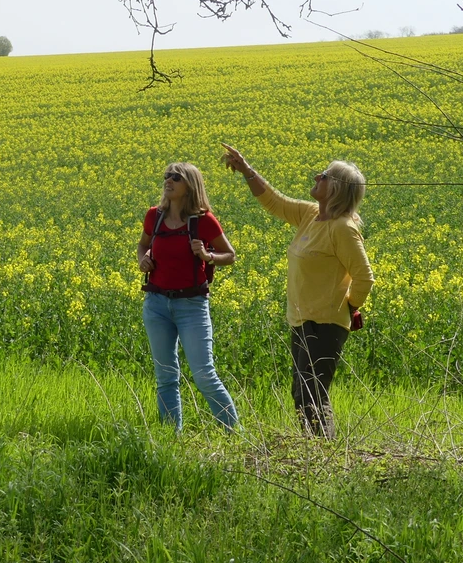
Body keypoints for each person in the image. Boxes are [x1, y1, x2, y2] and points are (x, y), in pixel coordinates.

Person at [222, 143, 374, 439]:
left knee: (311, 393)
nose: (318, 176)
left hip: (326, 322)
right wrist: (246, 169)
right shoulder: (310, 215)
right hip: (303, 319)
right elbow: (274, 202)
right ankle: (317, 452)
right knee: (303, 391)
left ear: (337, 189)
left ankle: (323, 454)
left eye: (325, 176)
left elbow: (365, 278)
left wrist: (348, 307)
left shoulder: (342, 228)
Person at [137, 162, 239, 431]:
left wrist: (207, 256)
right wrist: (142, 260)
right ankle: (171, 438)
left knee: (205, 375)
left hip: (192, 305)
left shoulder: (204, 220)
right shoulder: (154, 216)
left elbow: (230, 255)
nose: (168, 180)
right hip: (156, 304)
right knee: (166, 376)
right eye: (166, 176)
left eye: (176, 177)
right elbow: (143, 245)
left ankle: (233, 433)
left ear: (190, 185)